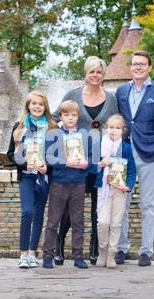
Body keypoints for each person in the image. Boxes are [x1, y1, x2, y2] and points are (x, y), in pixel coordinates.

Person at [51, 56, 118, 265]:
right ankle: (59, 246)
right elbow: (54, 117)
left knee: (99, 207)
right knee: (70, 209)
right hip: (77, 161)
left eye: (99, 72)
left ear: (103, 75)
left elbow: (117, 124)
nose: (95, 75)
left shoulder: (112, 98)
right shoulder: (72, 95)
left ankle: (95, 248)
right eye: (92, 72)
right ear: (86, 73)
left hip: (102, 162)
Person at [115, 51, 154, 267]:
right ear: (130, 68)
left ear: (149, 67)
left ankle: (146, 252)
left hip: (148, 155)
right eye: (134, 64)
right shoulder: (121, 91)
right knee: (121, 204)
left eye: (142, 64)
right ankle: (121, 248)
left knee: (147, 204)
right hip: (123, 155)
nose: (138, 67)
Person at [42, 100, 96, 269]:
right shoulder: (54, 134)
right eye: (66, 115)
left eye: (73, 115)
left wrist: (87, 164)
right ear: (61, 116)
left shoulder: (85, 135)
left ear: (78, 117)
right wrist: (66, 162)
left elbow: (92, 159)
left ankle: (78, 256)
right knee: (53, 221)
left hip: (78, 183)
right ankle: (47, 256)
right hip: (59, 183)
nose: (70, 118)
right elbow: (49, 158)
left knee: (78, 221)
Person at [7, 91, 58, 269]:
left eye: (41, 104)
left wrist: (48, 167)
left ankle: (32, 254)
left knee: (38, 215)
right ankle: (22, 254)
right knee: (27, 212)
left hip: (43, 177)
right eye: (34, 103)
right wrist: (23, 164)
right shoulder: (18, 127)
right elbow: (9, 155)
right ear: (28, 106)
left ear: (45, 107)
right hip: (27, 177)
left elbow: (57, 155)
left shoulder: (52, 128)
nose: (37, 107)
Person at [95, 114, 136, 268]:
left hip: (120, 190)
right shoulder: (100, 146)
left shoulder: (126, 148)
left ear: (123, 130)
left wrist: (129, 186)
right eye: (111, 127)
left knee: (116, 224)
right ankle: (102, 251)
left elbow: (132, 170)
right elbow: (92, 167)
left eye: (117, 128)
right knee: (103, 222)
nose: (114, 131)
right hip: (104, 189)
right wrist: (100, 164)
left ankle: (112, 254)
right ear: (106, 129)